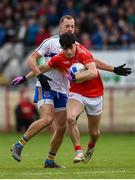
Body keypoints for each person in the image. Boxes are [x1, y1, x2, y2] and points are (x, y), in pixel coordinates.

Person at [11, 15, 132, 167]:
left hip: (63, 89)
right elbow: (35, 61)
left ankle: (50, 160)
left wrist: (113, 69)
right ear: (60, 26)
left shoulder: (77, 46)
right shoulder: (50, 43)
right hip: (45, 85)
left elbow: (92, 62)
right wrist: (29, 76)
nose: (70, 28)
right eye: (67, 26)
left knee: (62, 127)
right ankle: (19, 144)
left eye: (73, 26)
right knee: (48, 119)